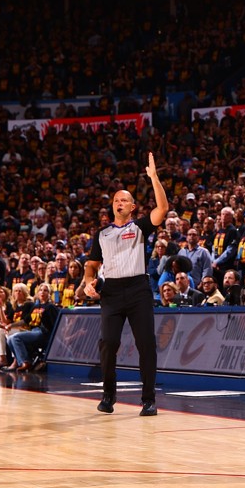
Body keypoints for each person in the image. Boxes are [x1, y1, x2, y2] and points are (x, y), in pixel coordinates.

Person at [82, 153, 168, 417]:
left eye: (124, 200)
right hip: (111, 291)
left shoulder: (140, 227)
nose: (119, 203)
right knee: (108, 343)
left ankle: (149, 400)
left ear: (132, 207)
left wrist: (154, 178)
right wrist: (87, 282)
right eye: (115, 200)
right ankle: (108, 395)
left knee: (146, 344)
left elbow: (162, 209)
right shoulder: (102, 233)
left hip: (138, 290)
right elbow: (91, 265)